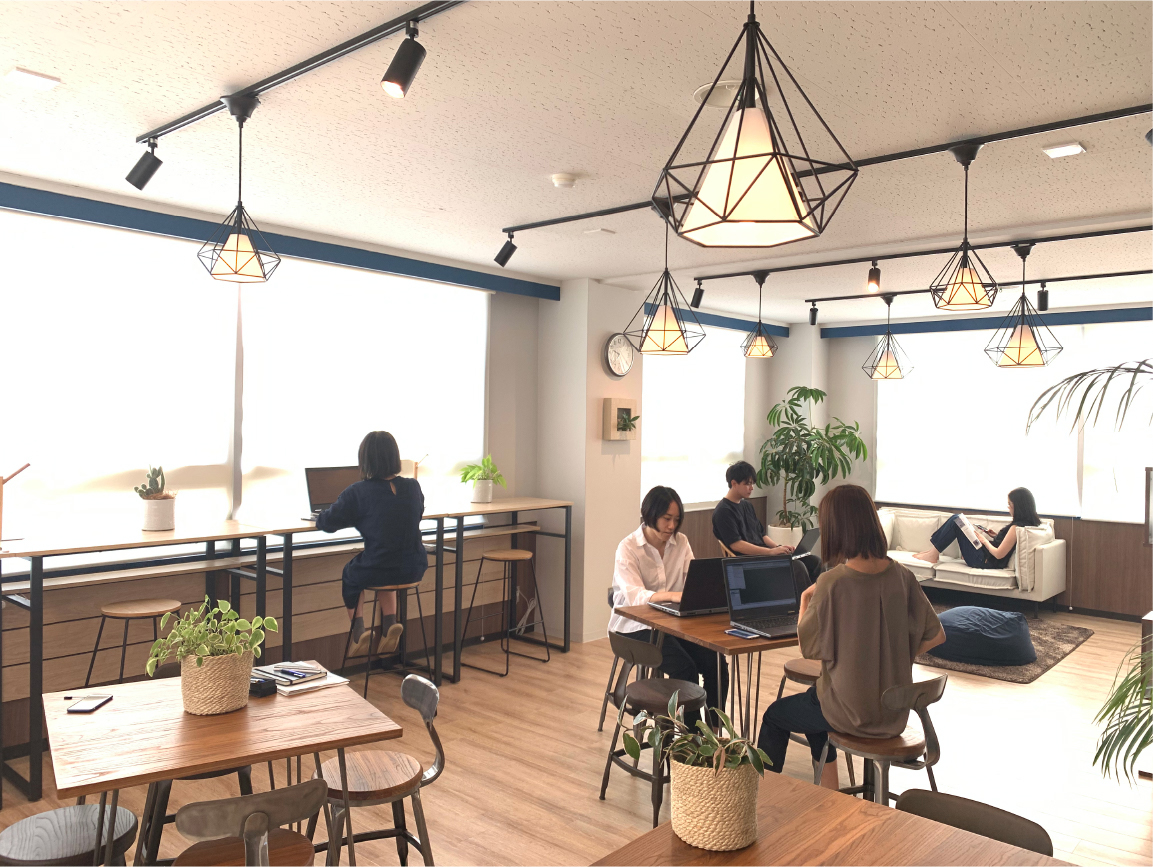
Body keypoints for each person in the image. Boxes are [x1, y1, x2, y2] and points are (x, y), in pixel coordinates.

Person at [757, 484, 945, 790]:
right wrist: (895, 657)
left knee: (775, 716)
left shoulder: (832, 583)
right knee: (817, 700)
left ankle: (761, 798)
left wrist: (805, 600)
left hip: (849, 713)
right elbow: (937, 635)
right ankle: (829, 790)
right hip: (893, 714)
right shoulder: (903, 576)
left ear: (837, 528)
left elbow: (808, 648)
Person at [609, 485, 728, 717]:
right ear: (650, 514)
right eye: (666, 519)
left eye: (676, 519)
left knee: (716, 663)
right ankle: (691, 735)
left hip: (672, 625)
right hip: (633, 628)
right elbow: (635, 596)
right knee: (685, 669)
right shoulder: (628, 548)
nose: (672, 526)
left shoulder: (680, 542)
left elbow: (692, 581)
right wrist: (672, 596)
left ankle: (714, 729)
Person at [316, 431, 427, 658]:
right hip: (414, 566)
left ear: (365, 459)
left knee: (352, 573)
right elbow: (414, 514)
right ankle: (390, 624)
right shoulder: (413, 486)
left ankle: (359, 632)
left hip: (380, 567)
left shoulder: (358, 491)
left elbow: (327, 523)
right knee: (386, 562)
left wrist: (348, 516)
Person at [914, 487, 1041, 569]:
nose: (1008, 508)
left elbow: (999, 554)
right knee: (959, 520)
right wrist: (994, 536)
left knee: (956, 520)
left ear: (1018, 507)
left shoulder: (1016, 527)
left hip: (983, 560)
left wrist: (984, 540)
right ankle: (933, 552)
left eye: (1010, 504)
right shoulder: (1027, 523)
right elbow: (1006, 544)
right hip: (983, 556)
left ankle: (933, 554)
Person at [712, 461, 795, 557]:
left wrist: (778, 548)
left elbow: (762, 535)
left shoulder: (747, 505)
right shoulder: (723, 511)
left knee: (805, 559)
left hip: (763, 555)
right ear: (734, 483)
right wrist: (770, 552)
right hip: (748, 559)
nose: (752, 488)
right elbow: (736, 545)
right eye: (748, 484)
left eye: (752, 484)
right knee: (797, 564)